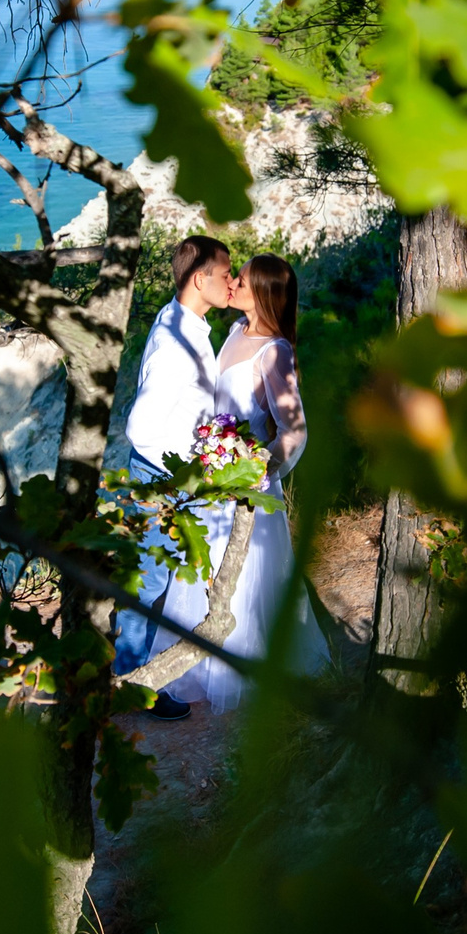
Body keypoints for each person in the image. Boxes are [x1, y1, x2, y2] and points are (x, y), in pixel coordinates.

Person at [169, 253, 327, 712]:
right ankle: (198, 666)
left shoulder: (274, 350)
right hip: (214, 480)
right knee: (207, 575)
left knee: (246, 581)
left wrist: (262, 471)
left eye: (242, 279)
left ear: (263, 293)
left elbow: (295, 429)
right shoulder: (237, 331)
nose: (232, 282)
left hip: (246, 486)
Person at [114, 235, 234, 717]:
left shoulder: (188, 323)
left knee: (156, 581)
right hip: (161, 479)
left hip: (171, 475)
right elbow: (140, 428)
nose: (231, 282)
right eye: (225, 275)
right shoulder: (175, 343)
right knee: (146, 583)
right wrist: (185, 475)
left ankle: (134, 674)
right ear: (200, 279)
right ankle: (127, 685)